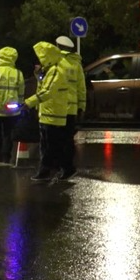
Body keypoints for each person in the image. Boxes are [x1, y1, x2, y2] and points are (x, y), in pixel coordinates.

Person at [23, 41, 69, 182]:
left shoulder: (55, 70)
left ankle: (46, 172)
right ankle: (58, 170)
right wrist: (38, 76)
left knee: (49, 146)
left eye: (41, 57)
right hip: (49, 113)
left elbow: (47, 91)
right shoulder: (50, 70)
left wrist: (28, 103)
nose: (39, 60)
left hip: (53, 114)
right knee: (51, 145)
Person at [55, 35, 85, 179]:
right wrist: (81, 106)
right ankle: (68, 167)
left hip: (57, 108)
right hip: (71, 109)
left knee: (55, 139)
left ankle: (58, 166)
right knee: (68, 139)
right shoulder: (76, 64)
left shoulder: (55, 62)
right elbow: (81, 88)